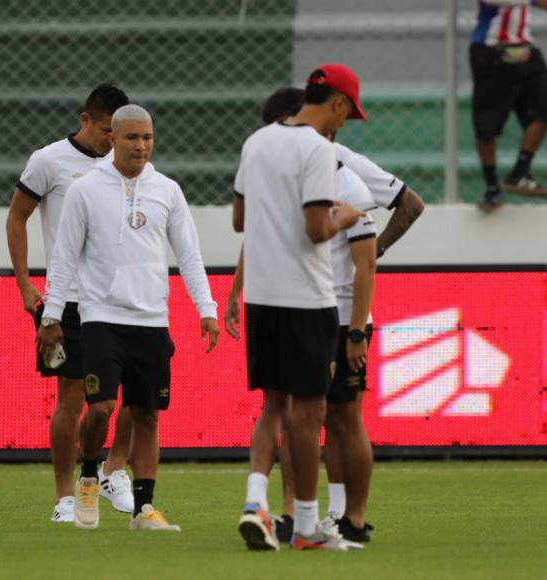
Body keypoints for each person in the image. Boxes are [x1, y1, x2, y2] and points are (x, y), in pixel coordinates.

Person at [226, 87, 425, 545]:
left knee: (332, 416)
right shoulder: (287, 159)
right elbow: (262, 225)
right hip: (301, 303)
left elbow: (405, 208)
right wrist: (238, 283)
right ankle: (299, 518)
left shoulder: (343, 165)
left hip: (327, 308)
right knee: (302, 413)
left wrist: (368, 253)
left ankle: (345, 517)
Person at [37, 104, 219, 531]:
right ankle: (88, 476)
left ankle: (144, 509)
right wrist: (51, 313)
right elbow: (64, 257)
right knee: (99, 408)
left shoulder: (168, 190)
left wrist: (206, 308)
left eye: (148, 138)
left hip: (153, 318)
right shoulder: (85, 190)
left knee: (146, 414)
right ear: (113, 139)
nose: (141, 146)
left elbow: (188, 254)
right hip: (100, 315)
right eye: (132, 137)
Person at [231, 64, 366, 551]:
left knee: (274, 405)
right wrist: (343, 216)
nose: (344, 126)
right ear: (337, 103)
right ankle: (308, 526)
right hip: (306, 298)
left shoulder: (257, 141)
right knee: (309, 415)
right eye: (348, 115)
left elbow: (240, 219)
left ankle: (255, 501)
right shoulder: (317, 148)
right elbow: (316, 229)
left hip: (262, 297)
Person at [6, 84, 135, 522]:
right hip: (71, 300)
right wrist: (26, 285)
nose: (111, 141)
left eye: (118, 133)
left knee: (132, 396)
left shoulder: (126, 165)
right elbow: (17, 217)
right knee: (72, 398)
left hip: (121, 298)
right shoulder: (49, 161)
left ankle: (114, 470)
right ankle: (65, 496)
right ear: (84, 121)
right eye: (105, 131)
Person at [470, 0, 547, 211]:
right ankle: (492, 186)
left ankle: (520, 172)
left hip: (524, 49)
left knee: (543, 111)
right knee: (487, 125)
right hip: (491, 50)